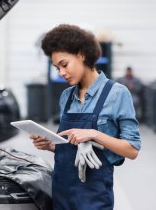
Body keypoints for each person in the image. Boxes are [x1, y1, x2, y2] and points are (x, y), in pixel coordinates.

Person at [30, 24, 141, 210]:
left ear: (82, 55)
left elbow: (132, 150)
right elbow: (71, 150)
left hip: (94, 197)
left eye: (64, 65)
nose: (61, 73)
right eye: (57, 67)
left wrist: (94, 134)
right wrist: (51, 146)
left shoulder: (117, 94)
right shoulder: (66, 96)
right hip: (61, 192)